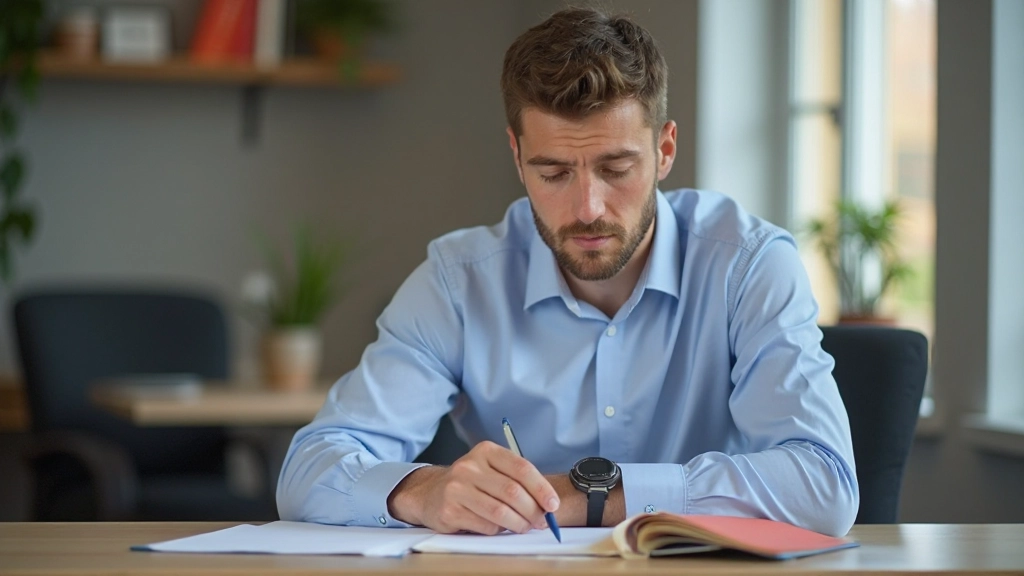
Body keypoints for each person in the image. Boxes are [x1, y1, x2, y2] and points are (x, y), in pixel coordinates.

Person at [277, 7, 858, 537]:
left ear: (665, 151)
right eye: (553, 173)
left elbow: (824, 484)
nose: (587, 208)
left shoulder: (748, 265)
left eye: (616, 168)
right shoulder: (459, 282)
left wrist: (583, 497)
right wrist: (423, 491)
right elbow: (309, 469)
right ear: (517, 157)